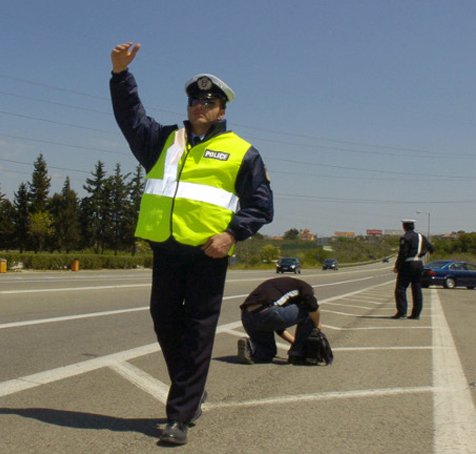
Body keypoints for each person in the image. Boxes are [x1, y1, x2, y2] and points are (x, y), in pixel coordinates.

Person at [109, 43, 274, 445]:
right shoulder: (164, 140)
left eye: (209, 101)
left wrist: (232, 235)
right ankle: (193, 392)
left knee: (199, 332)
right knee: (165, 322)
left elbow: (261, 205)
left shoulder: (242, 152)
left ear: (222, 110)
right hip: (165, 250)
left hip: (207, 254)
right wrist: (120, 75)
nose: (200, 105)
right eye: (194, 99)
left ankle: (180, 416)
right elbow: (130, 118)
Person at [236, 277, 321, 365]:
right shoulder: (304, 287)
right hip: (267, 313)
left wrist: (295, 342)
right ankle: (297, 354)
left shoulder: (281, 288)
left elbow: (278, 327)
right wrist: (317, 325)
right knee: (308, 311)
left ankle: (251, 347)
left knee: (268, 352)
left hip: (247, 318)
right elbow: (313, 305)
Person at [392, 219, 434, 319]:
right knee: (416, 288)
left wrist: (397, 266)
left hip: (408, 264)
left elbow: (403, 254)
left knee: (401, 288)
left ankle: (402, 312)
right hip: (419, 263)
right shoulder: (421, 237)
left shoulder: (406, 237)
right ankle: (416, 314)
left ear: (404, 227)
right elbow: (431, 249)